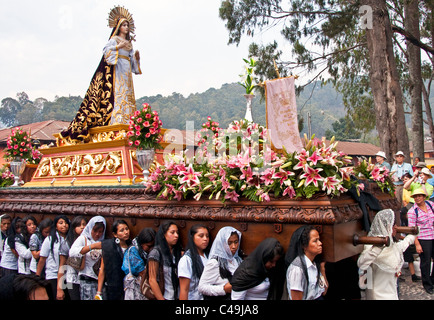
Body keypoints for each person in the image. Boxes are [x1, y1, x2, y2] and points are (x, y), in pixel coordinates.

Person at [59, 6, 141, 142]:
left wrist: (136, 58)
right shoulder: (114, 40)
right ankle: (116, 119)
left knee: (127, 94)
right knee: (118, 93)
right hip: (117, 70)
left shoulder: (129, 44)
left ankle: (128, 119)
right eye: (124, 25)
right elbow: (106, 52)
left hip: (126, 71)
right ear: (119, 27)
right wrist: (117, 47)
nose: (126, 28)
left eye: (127, 25)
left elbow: (134, 65)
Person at [357, 209, 416, 299]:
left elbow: (402, 246)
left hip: (392, 293)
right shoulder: (372, 244)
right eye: (393, 225)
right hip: (377, 295)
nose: (396, 227)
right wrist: (377, 248)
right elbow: (362, 264)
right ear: (386, 226)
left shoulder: (391, 245)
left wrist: (413, 235)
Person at [198, 226, 242, 300]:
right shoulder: (215, 263)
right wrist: (223, 289)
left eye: (236, 242)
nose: (234, 246)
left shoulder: (237, 260)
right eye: (229, 243)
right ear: (222, 243)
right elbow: (202, 287)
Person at [284, 226, 328, 300]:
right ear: (304, 246)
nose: (320, 243)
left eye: (319, 240)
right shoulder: (297, 269)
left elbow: (324, 291)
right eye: (315, 241)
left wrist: (322, 268)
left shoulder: (314, 263)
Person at [69, 215, 106, 300]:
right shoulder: (84, 238)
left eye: (100, 232)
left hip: (99, 282)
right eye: (95, 231)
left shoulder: (103, 242)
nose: (97, 234)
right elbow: (72, 252)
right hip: (86, 280)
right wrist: (92, 246)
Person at [36, 215, 70, 300]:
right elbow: (42, 260)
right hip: (53, 275)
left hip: (68, 275)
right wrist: (36, 277)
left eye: (66, 223)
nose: (64, 225)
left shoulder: (70, 239)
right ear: (55, 226)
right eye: (61, 223)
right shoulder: (50, 239)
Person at [407, 188, 434, 294]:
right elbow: (412, 230)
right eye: (415, 196)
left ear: (424, 197)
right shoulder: (413, 211)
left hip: (433, 234)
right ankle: (427, 284)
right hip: (423, 237)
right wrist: (417, 244)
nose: (417, 198)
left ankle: (432, 280)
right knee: (426, 262)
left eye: (419, 196)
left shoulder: (430, 204)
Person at [147, 220, 182, 300]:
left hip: (175, 296)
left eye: (177, 233)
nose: (176, 235)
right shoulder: (156, 252)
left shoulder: (176, 252)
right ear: (164, 234)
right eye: (172, 232)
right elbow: (152, 280)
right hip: (164, 296)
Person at [97, 219, 131, 300]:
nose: (126, 232)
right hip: (113, 288)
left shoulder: (132, 246)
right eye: (122, 230)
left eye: (126, 229)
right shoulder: (109, 247)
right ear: (115, 234)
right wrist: (99, 291)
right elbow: (102, 270)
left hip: (129, 287)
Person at [122, 227, 156, 300]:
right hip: (135, 289)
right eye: (149, 246)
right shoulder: (133, 251)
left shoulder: (147, 253)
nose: (151, 249)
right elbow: (142, 272)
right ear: (141, 244)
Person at [58, 216, 87, 300]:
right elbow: (62, 266)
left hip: (85, 279)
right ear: (74, 228)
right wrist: (60, 288)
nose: (82, 227)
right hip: (71, 279)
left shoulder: (88, 241)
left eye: (84, 224)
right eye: (79, 225)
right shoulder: (67, 243)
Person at [178, 224, 210, 300]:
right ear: (192, 238)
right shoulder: (187, 259)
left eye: (207, 236)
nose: (205, 239)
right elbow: (184, 290)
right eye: (201, 236)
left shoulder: (208, 256)